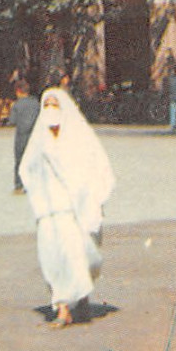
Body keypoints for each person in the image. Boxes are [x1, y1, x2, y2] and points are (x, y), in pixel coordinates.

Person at [18, 87, 115, 328]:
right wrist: (38, 194)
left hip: (76, 210)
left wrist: (90, 195)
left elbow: (99, 167)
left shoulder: (80, 136)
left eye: (55, 105)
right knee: (53, 257)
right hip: (50, 210)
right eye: (46, 105)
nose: (51, 110)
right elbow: (26, 169)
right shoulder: (39, 139)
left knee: (80, 256)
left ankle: (80, 297)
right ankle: (63, 308)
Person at [8, 80, 41, 193]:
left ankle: (19, 186)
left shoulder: (17, 105)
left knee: (19, 162)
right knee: (35, 161)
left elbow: (12, 121)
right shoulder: (36, 103)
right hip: (35, 137)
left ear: (18, 91)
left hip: (21, 137)